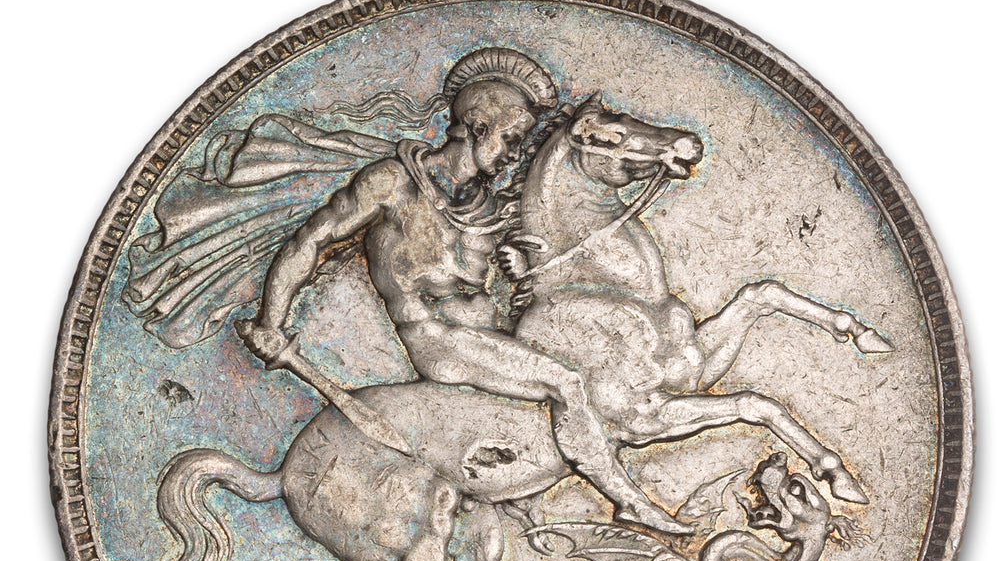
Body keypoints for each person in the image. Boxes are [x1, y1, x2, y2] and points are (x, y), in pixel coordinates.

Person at [240, 48, 687, 535]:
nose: (515, 153)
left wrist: (519, 269)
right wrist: (270, 321)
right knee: (567, 383)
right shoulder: (392, 183)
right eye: (510, 138)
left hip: (489, 335)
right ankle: (629, 502)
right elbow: (311, 241)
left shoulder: (485, 205)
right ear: (477, 126)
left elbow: (500, 283)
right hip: (438, 340)